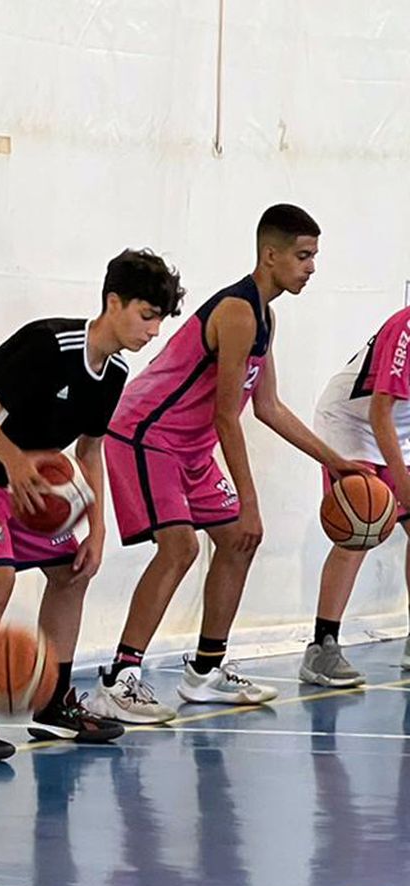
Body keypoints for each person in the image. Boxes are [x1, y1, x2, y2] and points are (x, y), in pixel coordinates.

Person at [94, 205, 371, 722]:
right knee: (180, 546)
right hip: (145, 435)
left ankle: (205, 669)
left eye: (314, 256)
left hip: (189, 447)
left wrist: (337, 462)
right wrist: (249, 499)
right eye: (303, 255)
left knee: (241, 540)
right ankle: (119, 679)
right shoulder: (239, 313)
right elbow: (227, 416)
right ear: (271, 255)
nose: (311, 267)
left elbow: (266, 407)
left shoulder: (267, 315)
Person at [0, 250, 184, 758]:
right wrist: (17, 463)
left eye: (159, 320)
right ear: (114, 302)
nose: (153, 331)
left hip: (21, 470)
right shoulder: (49, 344)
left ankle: (54, 705)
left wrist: (99, 529)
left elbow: (89, 450)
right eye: (147, 315)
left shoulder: (113, 375)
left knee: (72, 571)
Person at [301, 302, 410, 686]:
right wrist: (403, 481)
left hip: (401, 428)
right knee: (360, 527)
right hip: (352, 423)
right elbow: (380, 411)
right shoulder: (407, 326)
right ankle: (321, 648)